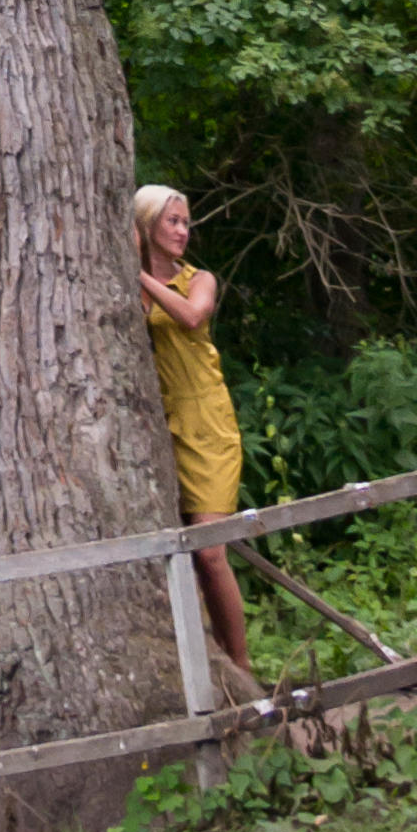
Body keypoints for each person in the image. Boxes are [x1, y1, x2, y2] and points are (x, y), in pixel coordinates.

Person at [134, 179, 253, 679]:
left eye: (186, 222)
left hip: (206, 423)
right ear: (146, 226)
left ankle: (243, 668)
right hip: (162, 429)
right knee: (183, 555)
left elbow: (189, 316)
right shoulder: (130, 286)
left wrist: (138, 278)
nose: (183, 231)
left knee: (209, 551)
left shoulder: (197, 279)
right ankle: (214, 664)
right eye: (172, 221)